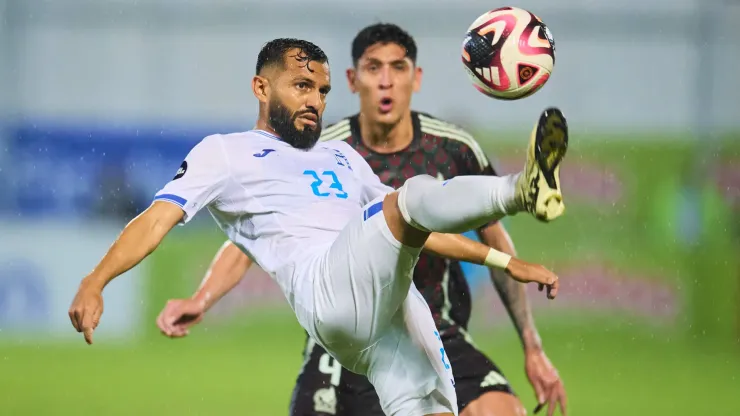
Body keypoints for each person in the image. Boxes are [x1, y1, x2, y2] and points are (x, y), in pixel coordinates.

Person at [69, 38, 568, 416]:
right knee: (411, 194)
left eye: (323, 91)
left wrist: (506, 261)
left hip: (386, 319)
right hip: (327, 295)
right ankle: (520, 190)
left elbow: (418, 228)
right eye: (302, 86)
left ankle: (522, 193)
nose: (315, 100)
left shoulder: (340, 155)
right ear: (262, 88)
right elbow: (157, 219)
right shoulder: (224, 152)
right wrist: (96, 280)